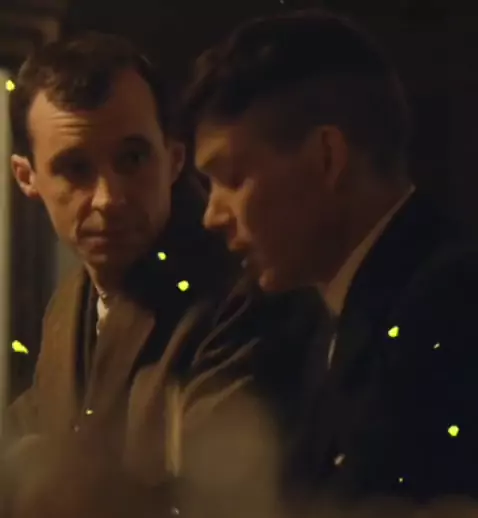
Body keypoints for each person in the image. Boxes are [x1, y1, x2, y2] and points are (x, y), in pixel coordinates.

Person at [4, 31, 325, 501]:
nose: (109, 199)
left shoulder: (241, 293)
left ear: (174, 160)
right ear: (27, 177)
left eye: (132, 159)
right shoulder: (69, 304)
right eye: (76, 168)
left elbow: (218, 497)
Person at [183, 8, 478, 508]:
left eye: (231, 177)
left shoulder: (451, 309)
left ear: (327, 157)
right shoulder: (314, 316)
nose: (212, 215)